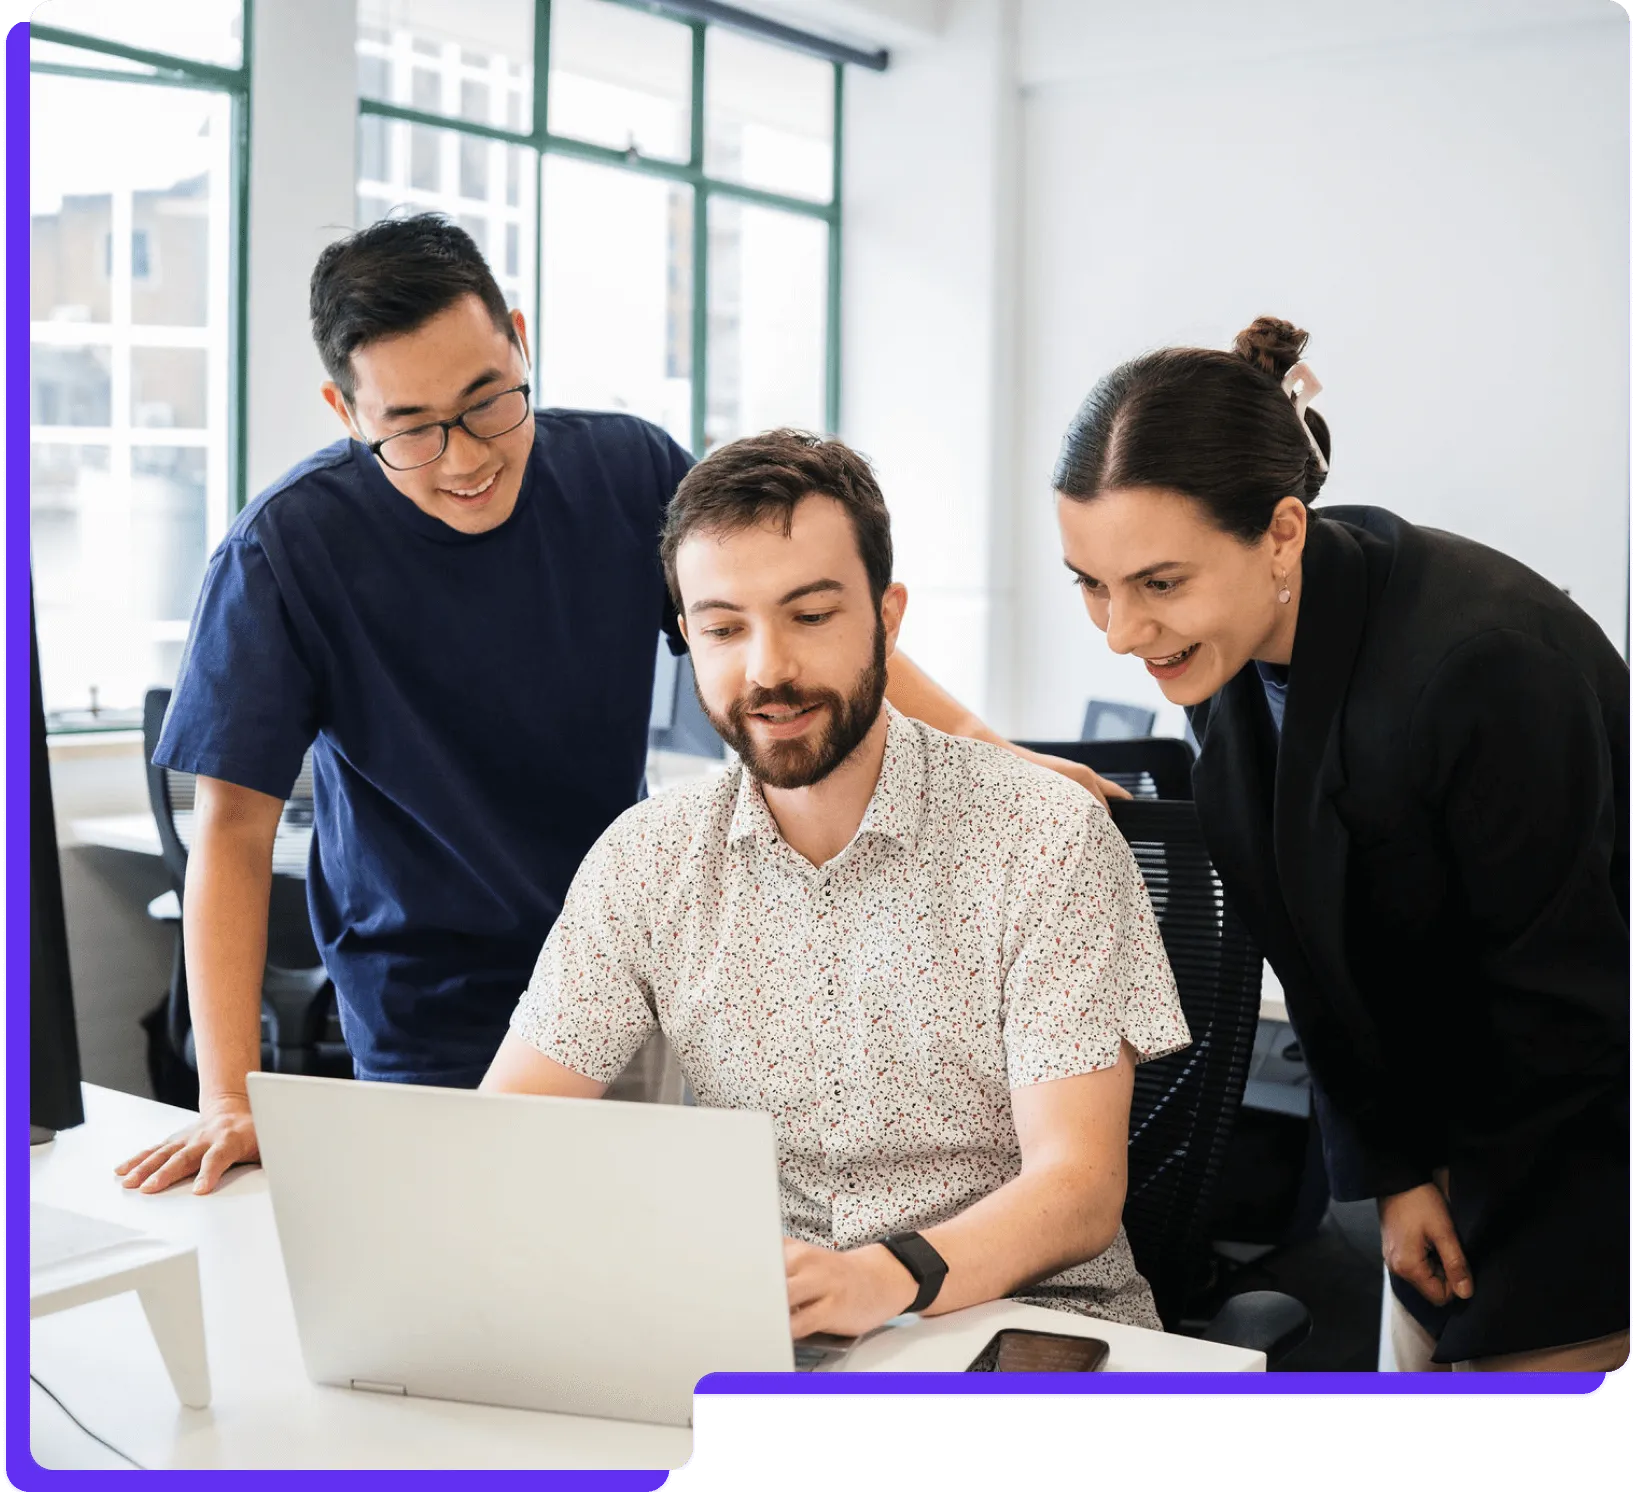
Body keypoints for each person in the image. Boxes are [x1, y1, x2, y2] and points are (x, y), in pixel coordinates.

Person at [114, 215, 1121, 1199]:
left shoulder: (625, 468)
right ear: (345, 410)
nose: (465, 458)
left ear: (521, 340)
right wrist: (224, 1092)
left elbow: (798, 621)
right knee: (476, 1265)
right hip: (436, 991)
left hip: (639, 958)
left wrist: (987, 746)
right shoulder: (285, 551)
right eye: (411, 430)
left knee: (650, 1255)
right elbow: (233, 833)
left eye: (488, 402)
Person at [482, 430, 1190, 1339]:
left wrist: (882, 1279)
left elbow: (1080, 1187)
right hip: (773, 1329)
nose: (767, 668)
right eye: (725, 628)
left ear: (887, 618)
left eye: (811, 616)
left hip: (1027, 1324)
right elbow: (505, 1139)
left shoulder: (1043, 837)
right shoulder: (647, 860)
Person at [1051, 316, 1629, 1372]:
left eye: (1157, 582)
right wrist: (1396, 1173)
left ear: (1279, 531)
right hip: (1445, 1155)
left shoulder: (1479, 665)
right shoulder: (1236, 652)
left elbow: (1562, 1013)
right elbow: (1308, 940)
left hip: (1580, 1153)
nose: (1118, 632)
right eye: (1089, 582)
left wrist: (1505, 1288)